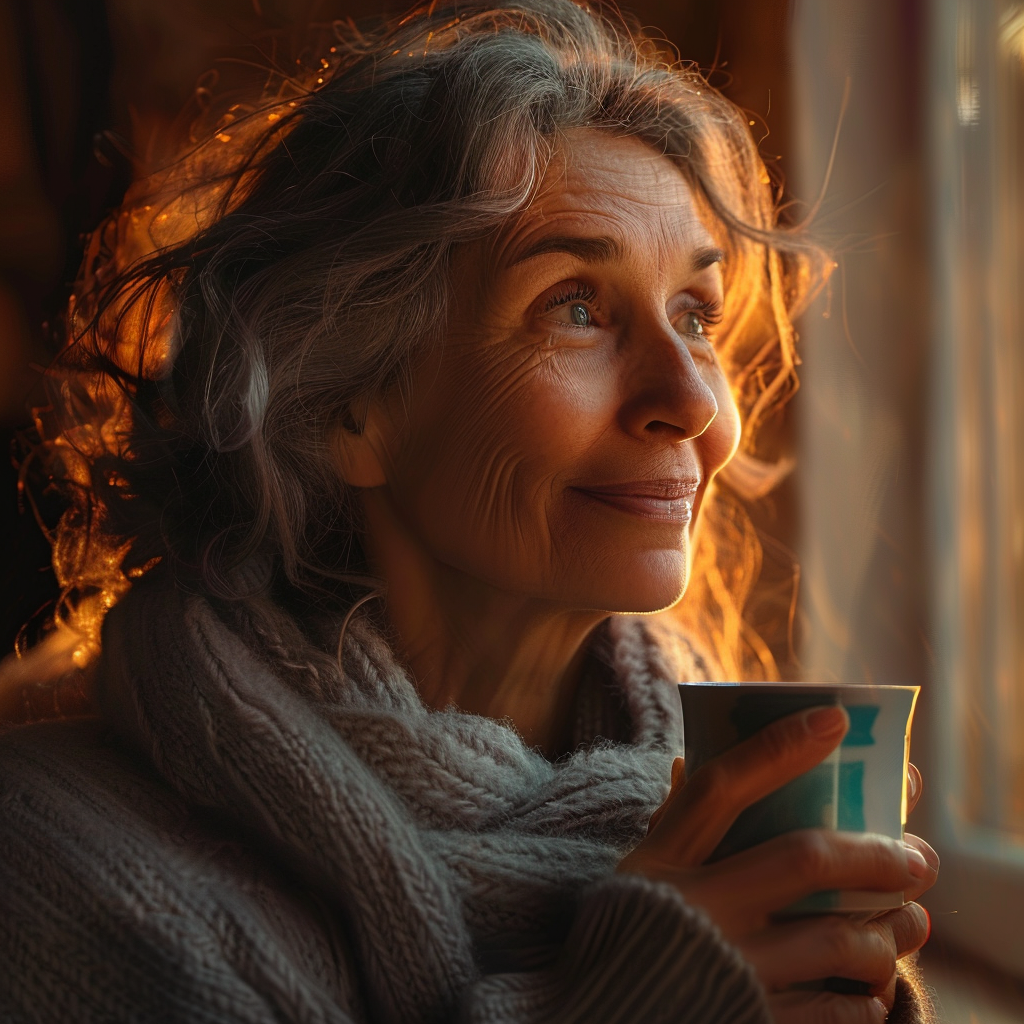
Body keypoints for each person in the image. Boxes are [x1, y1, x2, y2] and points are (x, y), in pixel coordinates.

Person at [0, 2, 938, 1021]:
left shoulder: (718, 836)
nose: (694, 400)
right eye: (575, 305)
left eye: (694, 314)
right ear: (346, 406)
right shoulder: (48, 856)